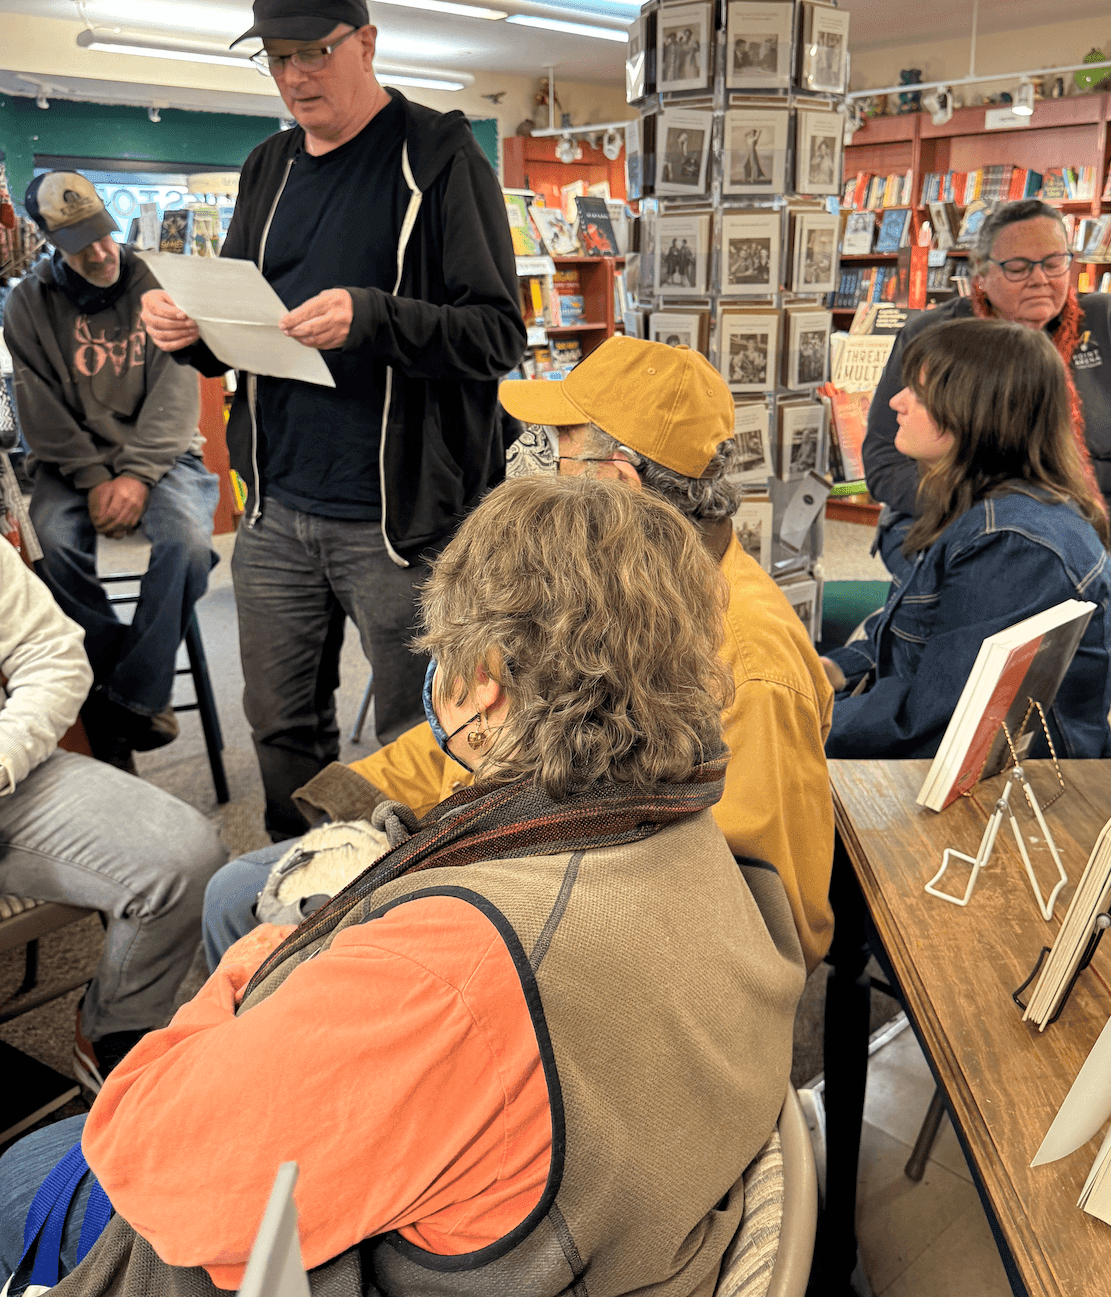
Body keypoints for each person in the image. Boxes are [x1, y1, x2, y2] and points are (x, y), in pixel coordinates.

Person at [0, 478, 806, 1297]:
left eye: (444, 652)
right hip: (608, 1217)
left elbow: (152, 1156)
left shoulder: (450, 972)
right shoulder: (693, 833)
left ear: (485, 677)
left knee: (24, 1172)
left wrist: (263, 953)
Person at [204, 338, 836, 975]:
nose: (530, 460)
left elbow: (771, 919)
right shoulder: (600, 576)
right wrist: (361, 794)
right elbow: (489, 727)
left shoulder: (749, 663)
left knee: (239, 903)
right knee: (246, 889)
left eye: (556, 445)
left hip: (575, 926)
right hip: (516, 854)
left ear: (616, 480)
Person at [140, 0, 527, 839]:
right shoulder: (267, 166)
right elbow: (247, 319)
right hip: (274, 509)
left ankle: (407, 902)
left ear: (366, 43)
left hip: (400, 523)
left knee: (421, 732)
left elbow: (497, 333)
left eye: (313, 51)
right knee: (279, 725)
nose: (295, 76)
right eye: (276, 58)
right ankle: (296, 881)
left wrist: (375, 317)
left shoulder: (438, 155)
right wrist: (189, 331)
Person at [863, 197, 1111, 711]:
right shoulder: (936, 334)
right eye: (1018, 267)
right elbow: (883, 461)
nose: (1040, 278)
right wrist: (986, 509)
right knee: (962, 616)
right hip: (949, 515)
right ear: (981, 276)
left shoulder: (1110, 322)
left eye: (1055, 262)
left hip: (1100, 527)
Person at [823, 318, 1111, 759]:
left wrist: (795, 724)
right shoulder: (982, 509)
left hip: (990, 801)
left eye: (918, 393)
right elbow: (919, 647)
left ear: (975, 410)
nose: (896, 403)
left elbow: (934, 723)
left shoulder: (1014, 543)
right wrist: (833, 671)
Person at [6, 172, 219, 768]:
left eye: (103, 234)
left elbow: (177, 395)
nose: (100, 252)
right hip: (73, 465)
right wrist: (95, 478)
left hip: (165, 454)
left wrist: (137, 474)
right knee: (49, 549)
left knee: (188, 543)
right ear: (49, 241)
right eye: (80, 243)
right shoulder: (26, 303)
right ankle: (123, 677)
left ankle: (126, 700)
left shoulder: (157, 281)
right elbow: (38, 405)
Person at [0, 537, 226, 1092]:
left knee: (188, 859)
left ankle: (111, 1029)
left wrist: (5, 756)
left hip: (9, 772)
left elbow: (51, 653)